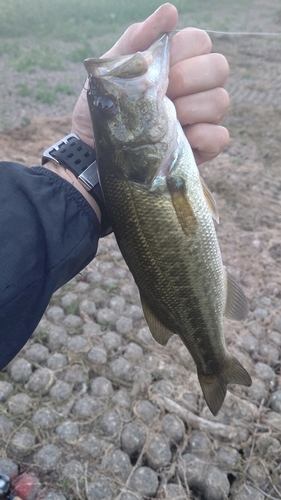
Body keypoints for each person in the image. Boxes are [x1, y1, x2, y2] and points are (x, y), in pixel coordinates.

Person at [0, 3, 230, 370]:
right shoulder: (156, 167)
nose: (105, 96)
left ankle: (211, 358)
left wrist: (85, 153)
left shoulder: (154, 167)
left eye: (105, 104)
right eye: (106, 105)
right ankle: (214, 363)